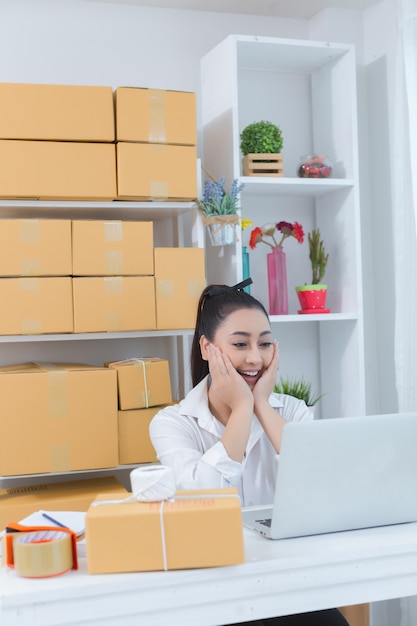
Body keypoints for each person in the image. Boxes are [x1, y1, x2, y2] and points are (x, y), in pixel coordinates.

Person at [150, 278, 349, 626]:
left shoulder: (291, 412)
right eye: (240, 344)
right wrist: (242, 409)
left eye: (265, 343)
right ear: (207, 348)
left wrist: (261, 407)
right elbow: (204, 493)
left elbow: (324, 485)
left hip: (289, 581)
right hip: (211, 588)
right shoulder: (172, 423)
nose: (255, 357)